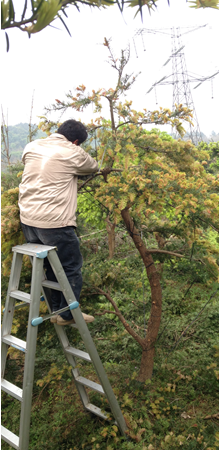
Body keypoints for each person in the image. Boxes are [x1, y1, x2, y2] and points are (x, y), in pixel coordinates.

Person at [19, 119, 99, 326]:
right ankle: (67, 314)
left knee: (50, 266)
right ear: (75, 141)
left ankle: (57, 310)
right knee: (70, 266)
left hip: (28, 219)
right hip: (54, 222)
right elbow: (93, 167)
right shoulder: (73, 151)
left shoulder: (32, 146)